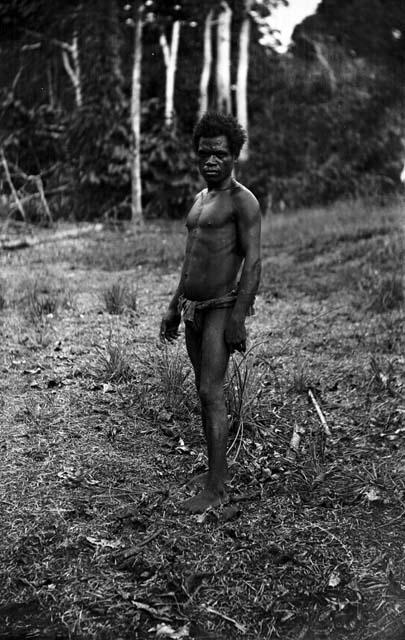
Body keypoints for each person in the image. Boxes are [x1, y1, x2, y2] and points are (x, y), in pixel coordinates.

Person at [160, 112, 261, 514]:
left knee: (209, 392)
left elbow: (252, 264)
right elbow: (189, 263)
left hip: (220, 309)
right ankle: (213, 477)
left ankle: (217, 490)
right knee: (204, 396)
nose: (210, 161)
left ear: (234, 154)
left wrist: (238, 317)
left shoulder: (243, 200)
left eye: (219, 153)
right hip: (192, 310)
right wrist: (172, 307)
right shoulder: (200, 201)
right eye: (204, 154)